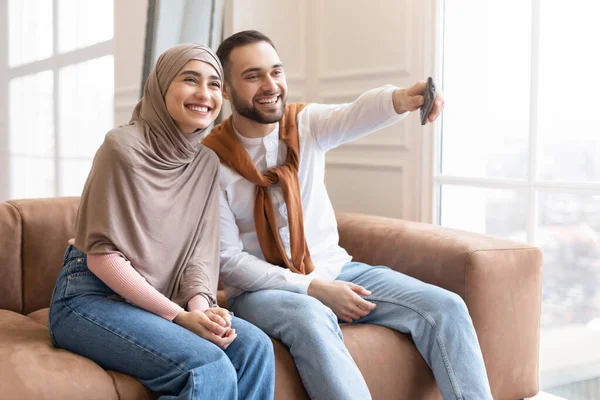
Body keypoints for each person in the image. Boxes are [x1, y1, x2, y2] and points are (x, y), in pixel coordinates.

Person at [202, 30, 493, 400]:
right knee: (311, 316)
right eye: (253, 76)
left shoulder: (304, 125)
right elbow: (229, 262)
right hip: (262, 292)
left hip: (337, 269)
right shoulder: (210, 160)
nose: (270, 85)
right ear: (226, 90)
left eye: (276, 72)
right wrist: (313, 288)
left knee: (446, 307)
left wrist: (403, 98)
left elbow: (355, 112)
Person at [48, 43, 275, 400]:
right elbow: (102, 257)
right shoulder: (121, 147)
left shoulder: (206, 164)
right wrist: (178, 316)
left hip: (164, 300)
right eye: (190, 79)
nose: (205, 94)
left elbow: (199, 255)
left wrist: (202, 313)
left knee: (255, 348)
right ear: (162, 86)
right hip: (91, 298)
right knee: (208, 365)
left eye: (215, 84)